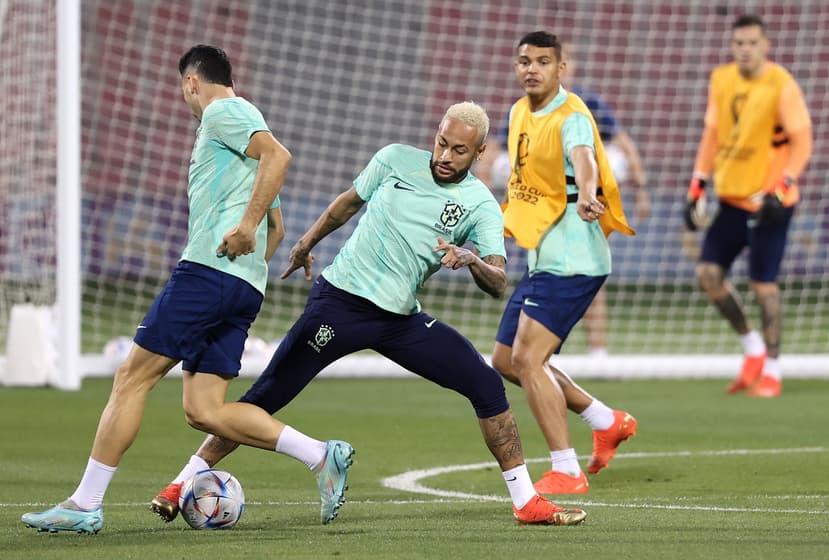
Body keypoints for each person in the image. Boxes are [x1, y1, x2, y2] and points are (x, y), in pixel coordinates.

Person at [150, 101, 587, 526]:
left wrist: (473, 260)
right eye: (441, 143)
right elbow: (346, 203)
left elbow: (498, 279)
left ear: (480, 153)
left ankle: (526, 501)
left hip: (400, 320)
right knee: (265, 396)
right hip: (338, 304)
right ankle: (180, 483)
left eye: (458, 150)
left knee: (488, 386)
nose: (445, 156)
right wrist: (306, 243)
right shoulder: (395, 159)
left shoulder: (481, 205)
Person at [21, 45, 354, 534]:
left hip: (208, 275)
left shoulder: (225, 113)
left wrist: (242, 229)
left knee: (130, 377)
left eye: (184, 89)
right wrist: (249, 257)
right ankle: (321, 456)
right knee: (204, 410)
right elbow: (278, 228)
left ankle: (85, 503)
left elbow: (279, 157)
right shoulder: (243, 141)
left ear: (192, 83)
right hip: (241, 288)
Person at [489, 31, 638, 496]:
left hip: (574, 258)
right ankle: (606, 420)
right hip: (543, 256)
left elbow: (584, 158)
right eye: (524, 61)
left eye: (543, 61)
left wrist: (589, 193)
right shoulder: (517, 113)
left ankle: (566, 468)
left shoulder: (571, 114)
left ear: (561, 68)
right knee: (506, 361)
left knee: (530, 359)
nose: (531, 69)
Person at [476, 40, 650, 357]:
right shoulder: (522, 110)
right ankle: (541, 353)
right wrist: (483, 195)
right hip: (540, 209)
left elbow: (618, 146)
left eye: (554, 61)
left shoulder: (586, 107)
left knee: (583, 276)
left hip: (580, 210)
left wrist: (640, 190)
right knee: (540, 277)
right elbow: (494, 154)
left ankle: (597, 352)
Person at [684, 14, 812, 398]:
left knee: (764, 285)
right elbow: (712, 134)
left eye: (752, 43)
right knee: (708, 274)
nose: (745, 49)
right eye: (739, 43)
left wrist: (782, 185)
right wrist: (697, 183)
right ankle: (752, 347)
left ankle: (772, 369)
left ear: (765, 45)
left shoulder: (781, 85)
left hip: (770, 201)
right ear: (732, 46)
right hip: (732, 197)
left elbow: (802, 141)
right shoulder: (721, 80)